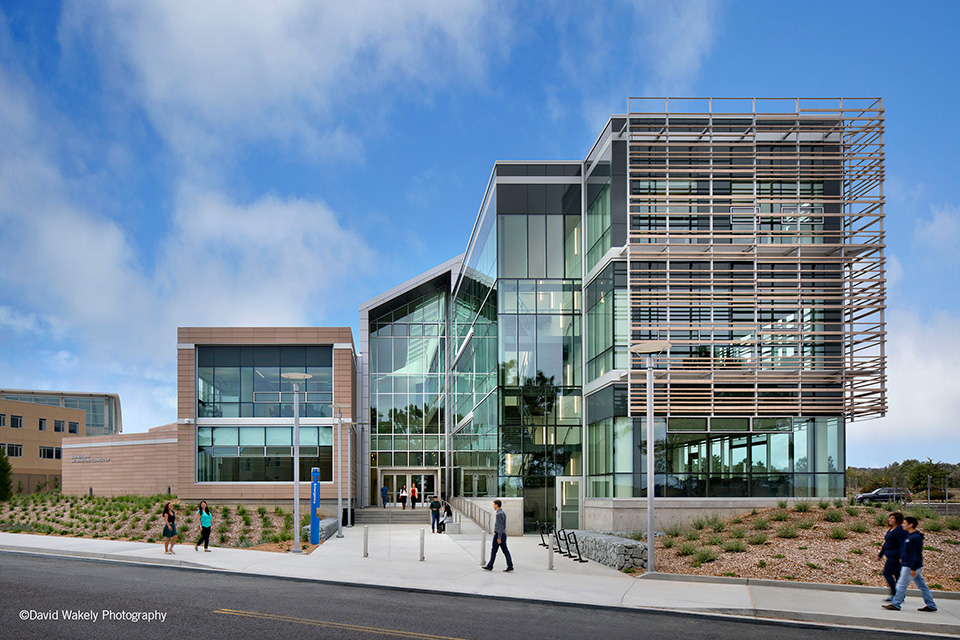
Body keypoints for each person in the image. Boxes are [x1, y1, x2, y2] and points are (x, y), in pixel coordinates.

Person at [883, 516, 938, 612]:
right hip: (910, 565)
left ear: (910, 525)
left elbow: (915, 554)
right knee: (922, 586)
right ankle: (931, 605)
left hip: (910, 566)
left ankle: (896, 604)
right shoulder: (910, 536)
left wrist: (913, 568)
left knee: (901, 584)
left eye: (904, 523)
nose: (902, 525)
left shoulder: (915, 538)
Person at [877, 511, 907, 600]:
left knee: (887, 573)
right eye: (890, 518)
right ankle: (900, 595)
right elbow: (886, 543)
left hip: (895, 556)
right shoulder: (891, 529)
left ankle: (895, 594)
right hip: (890, 555)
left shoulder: (899, 530)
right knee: (897, 575)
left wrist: (902, 556)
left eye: (892, 518)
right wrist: (880, 554)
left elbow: (902, 544)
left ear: (898, 520)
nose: (890, 520)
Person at [482, 499, 513, 572]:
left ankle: (490, 566)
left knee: (494, 551)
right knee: (505, 551)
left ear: (496, 505)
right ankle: (510, 566)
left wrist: (499, 537)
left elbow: (500, 526)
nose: (493, 506)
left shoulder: (498, 514)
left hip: (499, 535)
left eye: (493, 504)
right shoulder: (503, 513)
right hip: (503, 534)